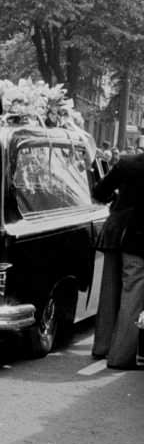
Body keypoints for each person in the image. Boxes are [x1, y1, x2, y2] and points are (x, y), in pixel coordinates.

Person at [92, 150, 144, 369]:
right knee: (133, 293)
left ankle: (104, 346)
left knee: (112, 290)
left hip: (119, 232)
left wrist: (117, 198)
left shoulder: (128, 163)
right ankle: (122, 354)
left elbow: (99, 192)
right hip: (137, 238)